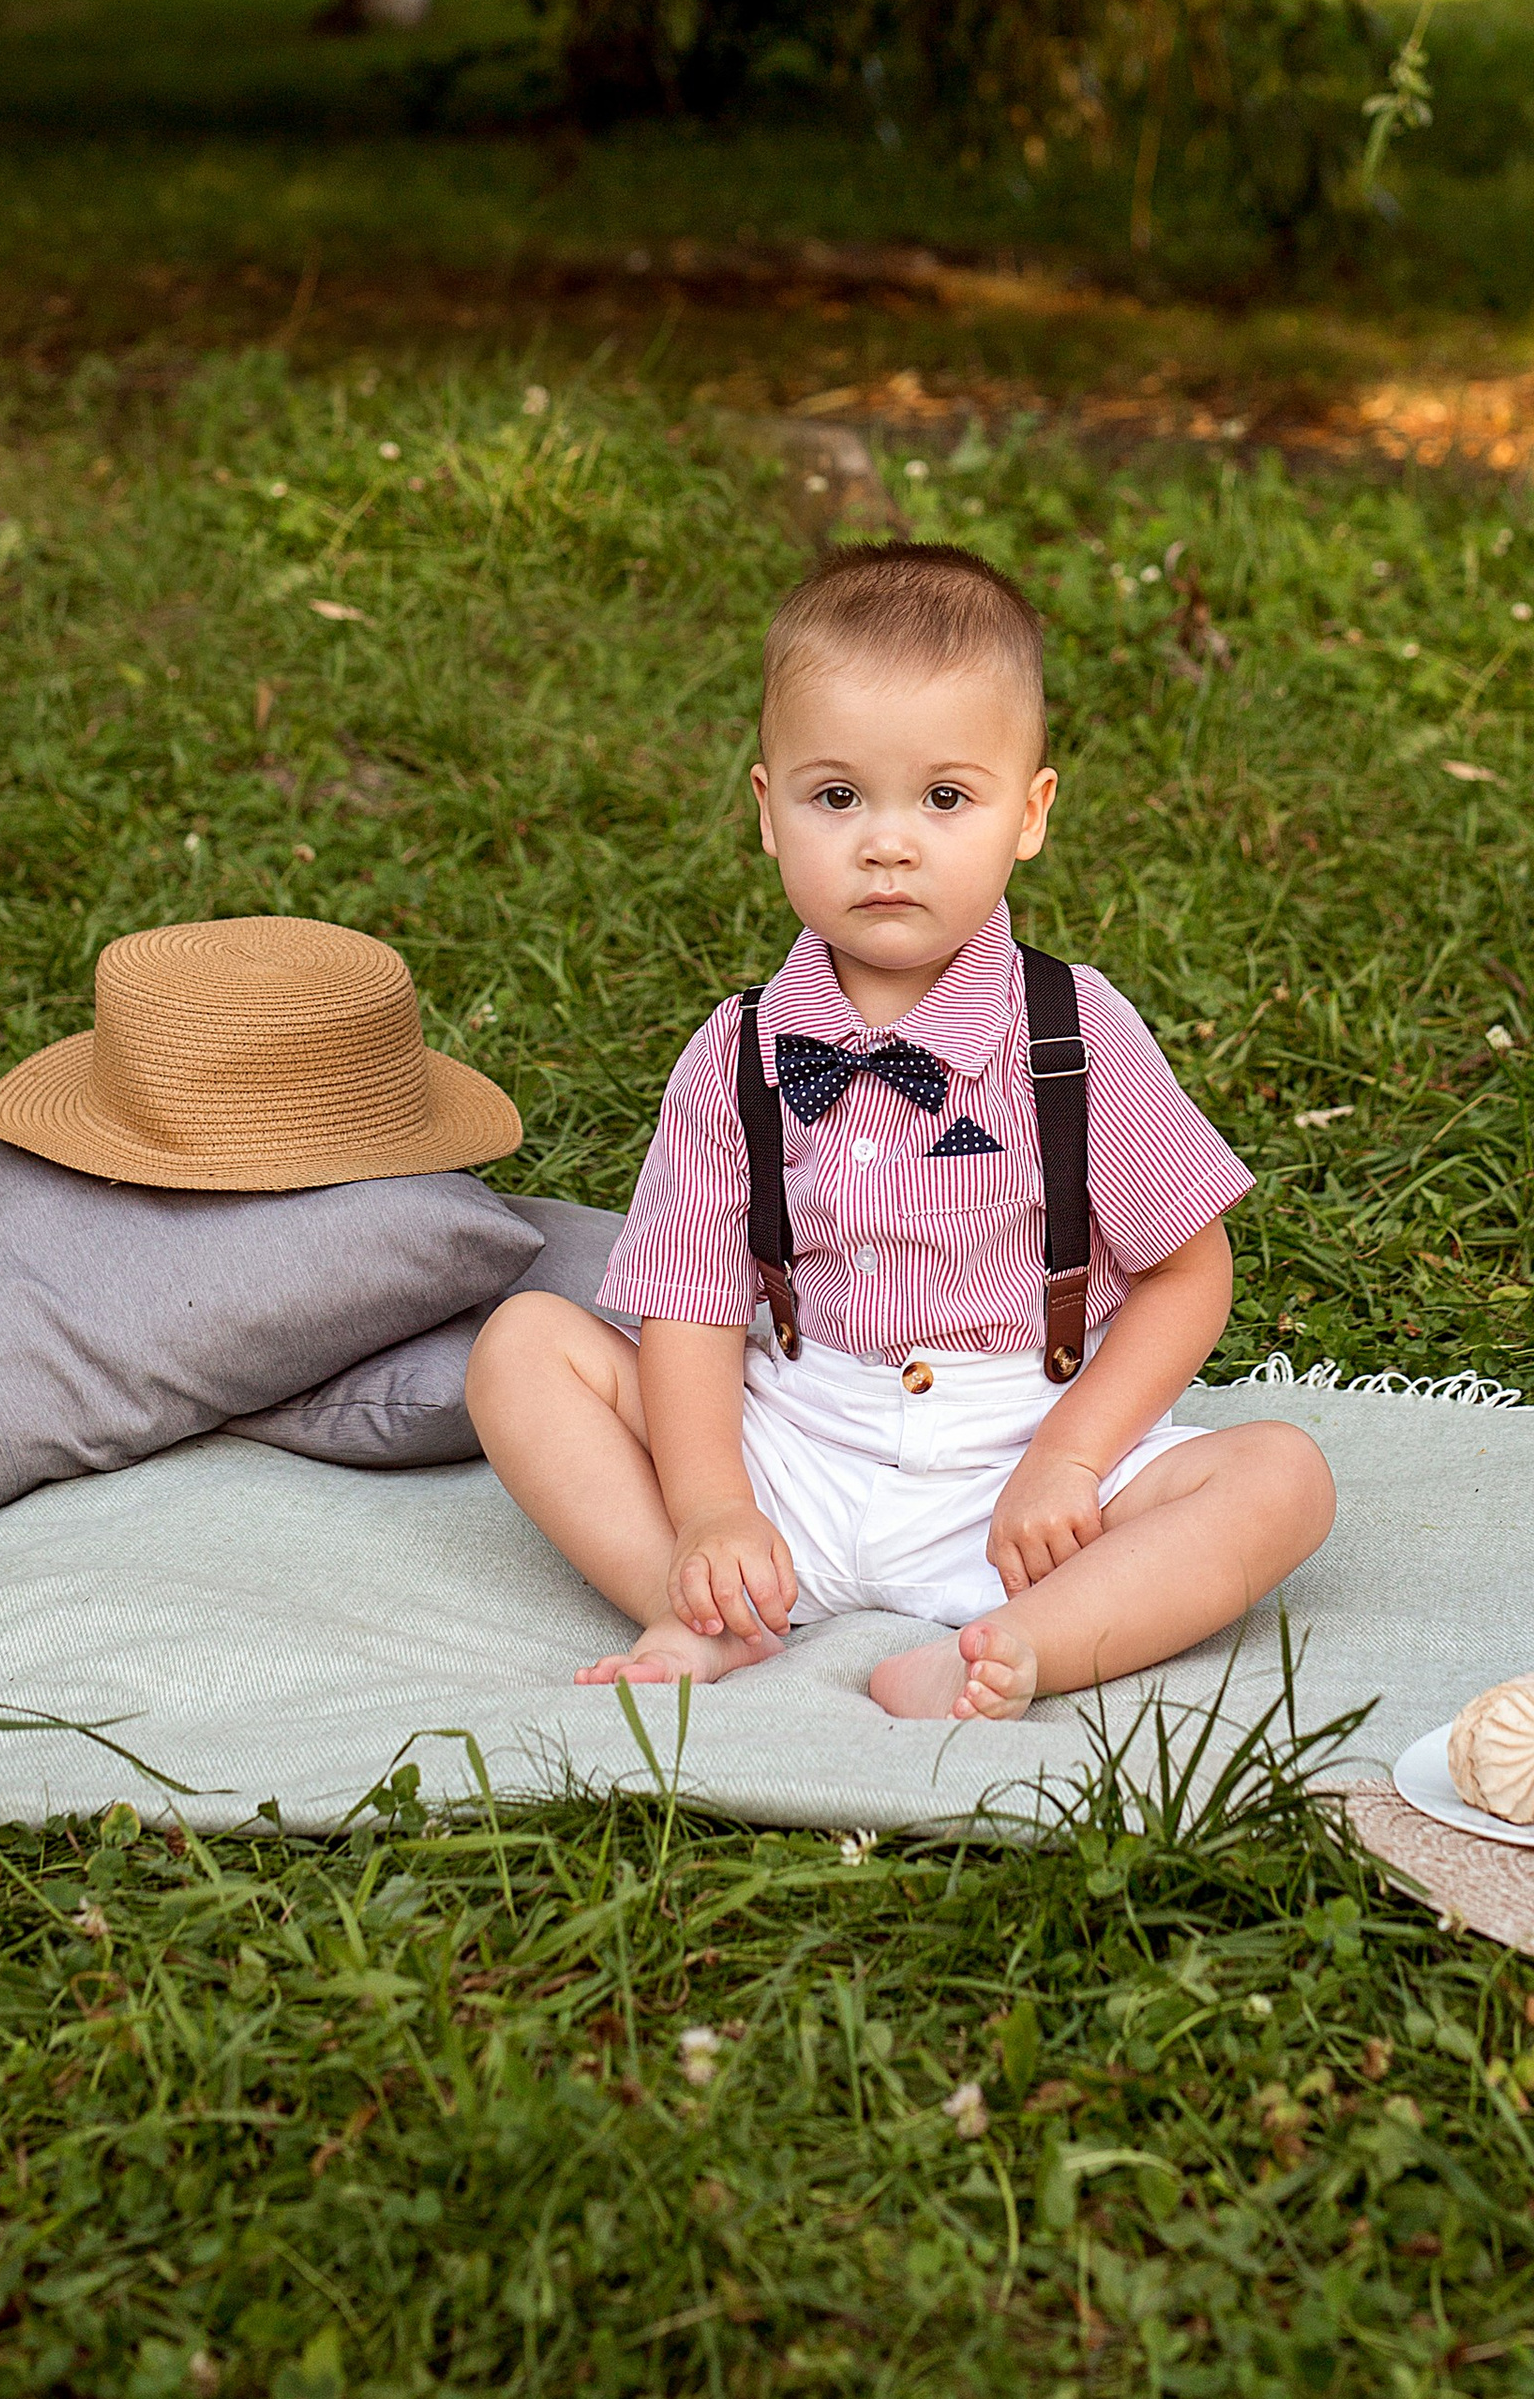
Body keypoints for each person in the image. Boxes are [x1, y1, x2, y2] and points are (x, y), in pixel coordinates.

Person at [466, 542, 1335, 1722]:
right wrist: (716, 1503)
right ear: (769, 814)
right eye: (838, 797)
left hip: (1021, 1458)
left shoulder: (1072, 1032)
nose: (888, 842)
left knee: (1281, 1478)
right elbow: (692, 1302)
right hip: (793, 1440)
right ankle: (708, 1604)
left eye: (944, 797)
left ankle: (1019, 1642)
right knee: (522, 1347)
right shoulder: (740, 1049)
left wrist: (1072, 1460)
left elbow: (1188, 1270)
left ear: (1027, 813)